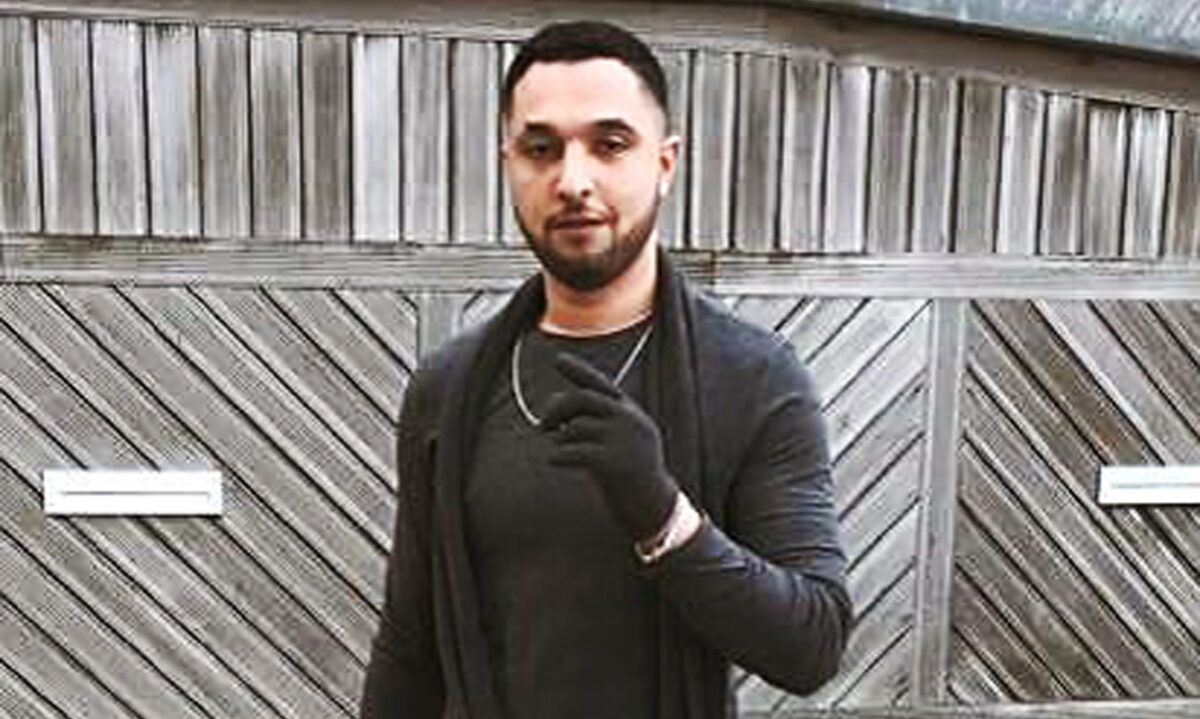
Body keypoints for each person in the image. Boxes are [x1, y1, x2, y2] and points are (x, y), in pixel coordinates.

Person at [359, 20, 851, 719]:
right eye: (541, 149)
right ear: (508, 163)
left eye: (610, 144)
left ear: (665, 163)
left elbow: (812, 645)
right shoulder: (449, 387)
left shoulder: (753, 377)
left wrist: (663, 516)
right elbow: (411, 645)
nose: (572, 180)